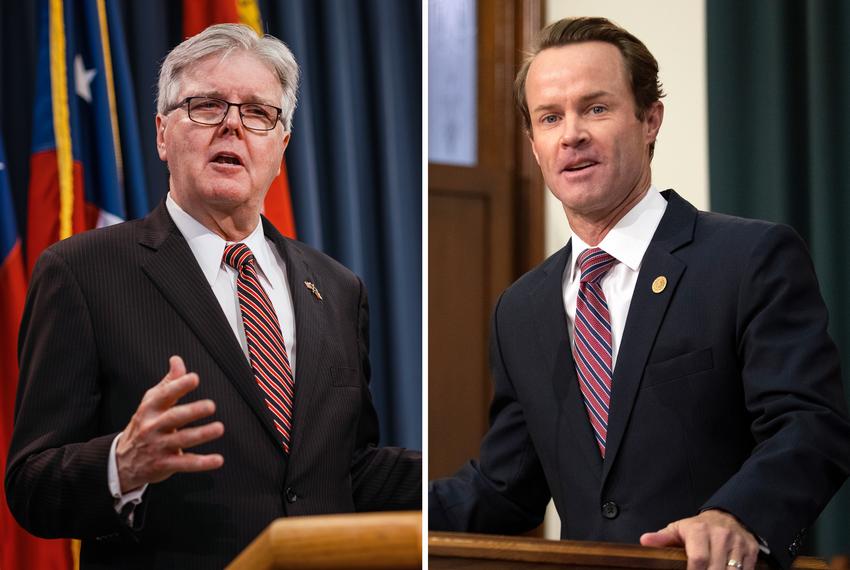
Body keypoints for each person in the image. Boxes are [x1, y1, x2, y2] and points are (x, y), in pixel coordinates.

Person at [429, 17, 850, 570]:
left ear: (650, 120)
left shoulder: (749, 258)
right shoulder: (521, 309)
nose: (571, 133)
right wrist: (377, 504)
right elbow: (507, 488)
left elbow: (810, 424)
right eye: (550, 118)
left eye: (595, 108)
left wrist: (737, 515)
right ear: (534, 145)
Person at [5, 24, 420, 569]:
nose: (231, 125)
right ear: (161, 133)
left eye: (257, 113)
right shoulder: (81, 272)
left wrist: (450, 476)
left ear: (281, 145)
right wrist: (121, 464)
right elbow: (32, 484)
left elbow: (344, 469)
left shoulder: (338, 288)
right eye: (205, 106)